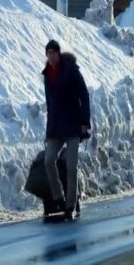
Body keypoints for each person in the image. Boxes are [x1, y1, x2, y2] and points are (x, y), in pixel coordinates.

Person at [41, 39, 91, 220]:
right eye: (48, 53)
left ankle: (70, 206)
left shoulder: (70, 69)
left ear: (58, 53)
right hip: (56, 128)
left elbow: (84, 95)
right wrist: (48, 132)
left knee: (71, 166)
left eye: (54, 52)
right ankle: (58, 198)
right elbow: (50, 105)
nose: (51, 56)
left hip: (73, 126)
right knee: (48, 161)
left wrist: (84, 121)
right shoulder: (47, 74)